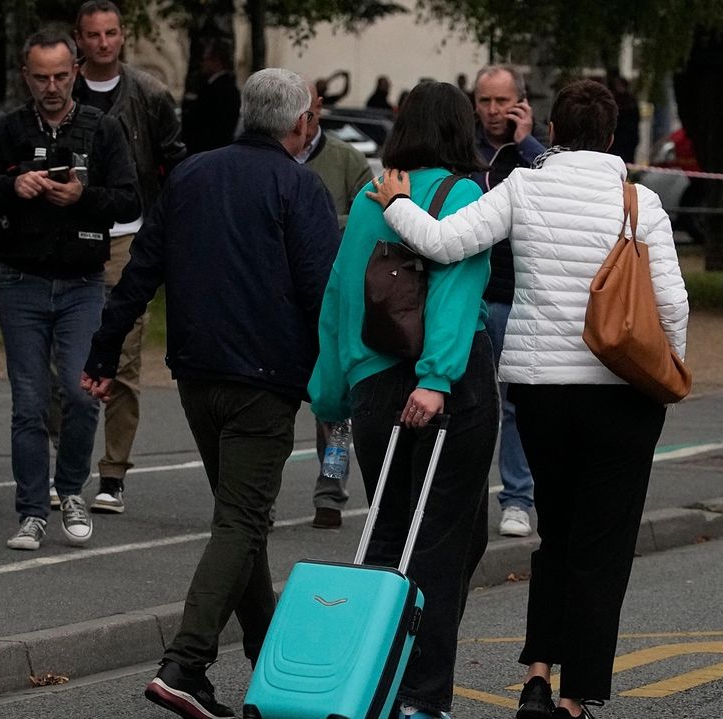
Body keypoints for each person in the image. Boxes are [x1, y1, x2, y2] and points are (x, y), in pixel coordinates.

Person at [368, 79, 688, 719]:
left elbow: (443, 243)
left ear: (553, 128)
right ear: (611, 135)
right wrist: (666, 367)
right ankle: (574, 698)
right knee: (602, 551)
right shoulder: (640, 202)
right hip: (621, 399)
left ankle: (537, 672)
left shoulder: (523, 186)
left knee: (558, 535)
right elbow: (674, 305)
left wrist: (398, 204)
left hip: (542, 397)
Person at [81, 68, 339, 719]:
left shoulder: (191, 176)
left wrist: (103, 352)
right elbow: (323, 291)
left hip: (197, 374)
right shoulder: (299, 186)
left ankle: (267, 658)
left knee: (239, 518)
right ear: (301, 121)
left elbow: (141, 270)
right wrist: (335, 377)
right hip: (265, 380)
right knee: (243, 519)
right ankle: (185, 662)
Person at [309, 80, 498, 719]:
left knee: (394, 529)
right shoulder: (462, 192)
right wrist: (439, 377)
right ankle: (420, 694)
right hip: (442, 382)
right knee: (443, 542)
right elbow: (457, 290)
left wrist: (331, 390)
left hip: (371, 383)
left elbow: (341, 294)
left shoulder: (373, 193)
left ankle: (371, 675)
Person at [0, 29, 140, 551]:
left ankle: (72, 491)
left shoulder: (102, 130)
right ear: (26, 76)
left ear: (76, 70)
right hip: (20, 282)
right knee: (30, 403)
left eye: (61, 75)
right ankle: (32, 512)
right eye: (41, 77)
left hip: (84, 283)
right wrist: (11, 187)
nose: (52, 86)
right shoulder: (5, 130)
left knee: (83, 396)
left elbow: (129, 201)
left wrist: (82, 197)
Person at [72, 0, 186, 513]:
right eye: (93, 35)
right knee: (65, 356)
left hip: (129, 234)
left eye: (111, 33)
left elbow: (172, 162)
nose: (103, 43)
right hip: (66, 237)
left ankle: (113, 472)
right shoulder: (57, 87)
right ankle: (60, 464)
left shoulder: (151, 94)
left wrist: (166, 232)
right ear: (79, 38)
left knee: (124, 357)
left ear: (123, 36)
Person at [295, 81, 374, 529]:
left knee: (332, 398)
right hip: (281, 299)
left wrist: (316, 220)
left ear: (319, 108)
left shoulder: (347, 159)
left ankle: (330, 491)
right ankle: (257, 500)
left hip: (334, 295)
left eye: (307, 109)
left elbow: (368, 216)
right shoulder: (274, 155)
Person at [472, 64, 545, 538]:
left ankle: (517, 500)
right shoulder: (463, 150)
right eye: (485, 101)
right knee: (472, 404)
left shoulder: (533, 156)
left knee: (517, 404)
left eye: (503, 101)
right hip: (472, 297)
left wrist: (528, 142)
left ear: (521, 102)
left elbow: (554, 185)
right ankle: (468, 499)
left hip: (517, 295)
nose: (494, 111)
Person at [182, 39, 239, 154]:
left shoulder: (215, 89)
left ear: (216, 61)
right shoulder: (228, 87)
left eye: (206, 59)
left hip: (206, 151)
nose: (203, 63)